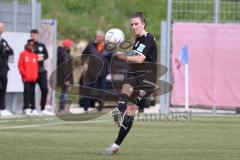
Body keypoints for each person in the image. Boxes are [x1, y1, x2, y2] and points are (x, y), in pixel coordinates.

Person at [103, 12, 157, 155]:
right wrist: (120, 52)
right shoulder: (139, 40)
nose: (133, 27)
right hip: (138, 75)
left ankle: (119, 110)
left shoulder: (147, 38)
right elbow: (135, 55)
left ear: (143, 24)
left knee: (129, 88)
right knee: (131, 107)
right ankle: (115, 145)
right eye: (131, 24)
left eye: (136, 24)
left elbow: (139, 59)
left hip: (146, 78)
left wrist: (119, 55)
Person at [80, 30, 112, 112]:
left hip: (103, 73)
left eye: (99, 37)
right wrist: (84, 64)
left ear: (103, 38)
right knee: (87, 90)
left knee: (102, 91)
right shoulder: (91, 45)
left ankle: (100, 107)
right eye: (96, 36)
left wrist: (109, 69)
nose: (97, 38)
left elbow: (112, 59)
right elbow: (84, 54)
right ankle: (85, 108)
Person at [30, 29, 53, 115]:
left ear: (38, 36)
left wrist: (42, 57)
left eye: (35, 36)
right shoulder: (29, 45)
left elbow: (46, 55)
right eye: (32, 36)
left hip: (41, 70)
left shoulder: (41, 45)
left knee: (45, 89)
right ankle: (33, 108)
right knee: (31, 90)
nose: (34, 37)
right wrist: (35, 56)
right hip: (32, 71)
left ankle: (42, 108)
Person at [18, 39, 39, 116]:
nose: (31, 46)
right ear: (27, 45)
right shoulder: (23, 54)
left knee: (32, 93)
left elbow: (36, 67)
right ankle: (26, 108)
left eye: (32, 45)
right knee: (26, 93)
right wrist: (24, 74)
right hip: (26, 78)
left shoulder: (34, 55)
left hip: (33, 78)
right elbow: (20, 65)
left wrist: (36, 75)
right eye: (30, 44)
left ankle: (33, 108)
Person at [0, 22, 14, 117]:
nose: (1, 29)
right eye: (0, 27)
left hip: (3, 68)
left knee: (3, 88)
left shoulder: (3, 40)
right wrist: (5, 51)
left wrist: (5, 51)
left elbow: (11, 51)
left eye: (2, 28)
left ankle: (2, 108)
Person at [57, 39, 74, 112]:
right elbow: (66, 67)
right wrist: (67, 79)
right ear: (68, 46)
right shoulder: (65, 54)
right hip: (65, 77)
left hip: (60, 76)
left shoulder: (60, 52)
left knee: (63, 91)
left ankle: (61, 107)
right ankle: (62, 107)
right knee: (64, 92)